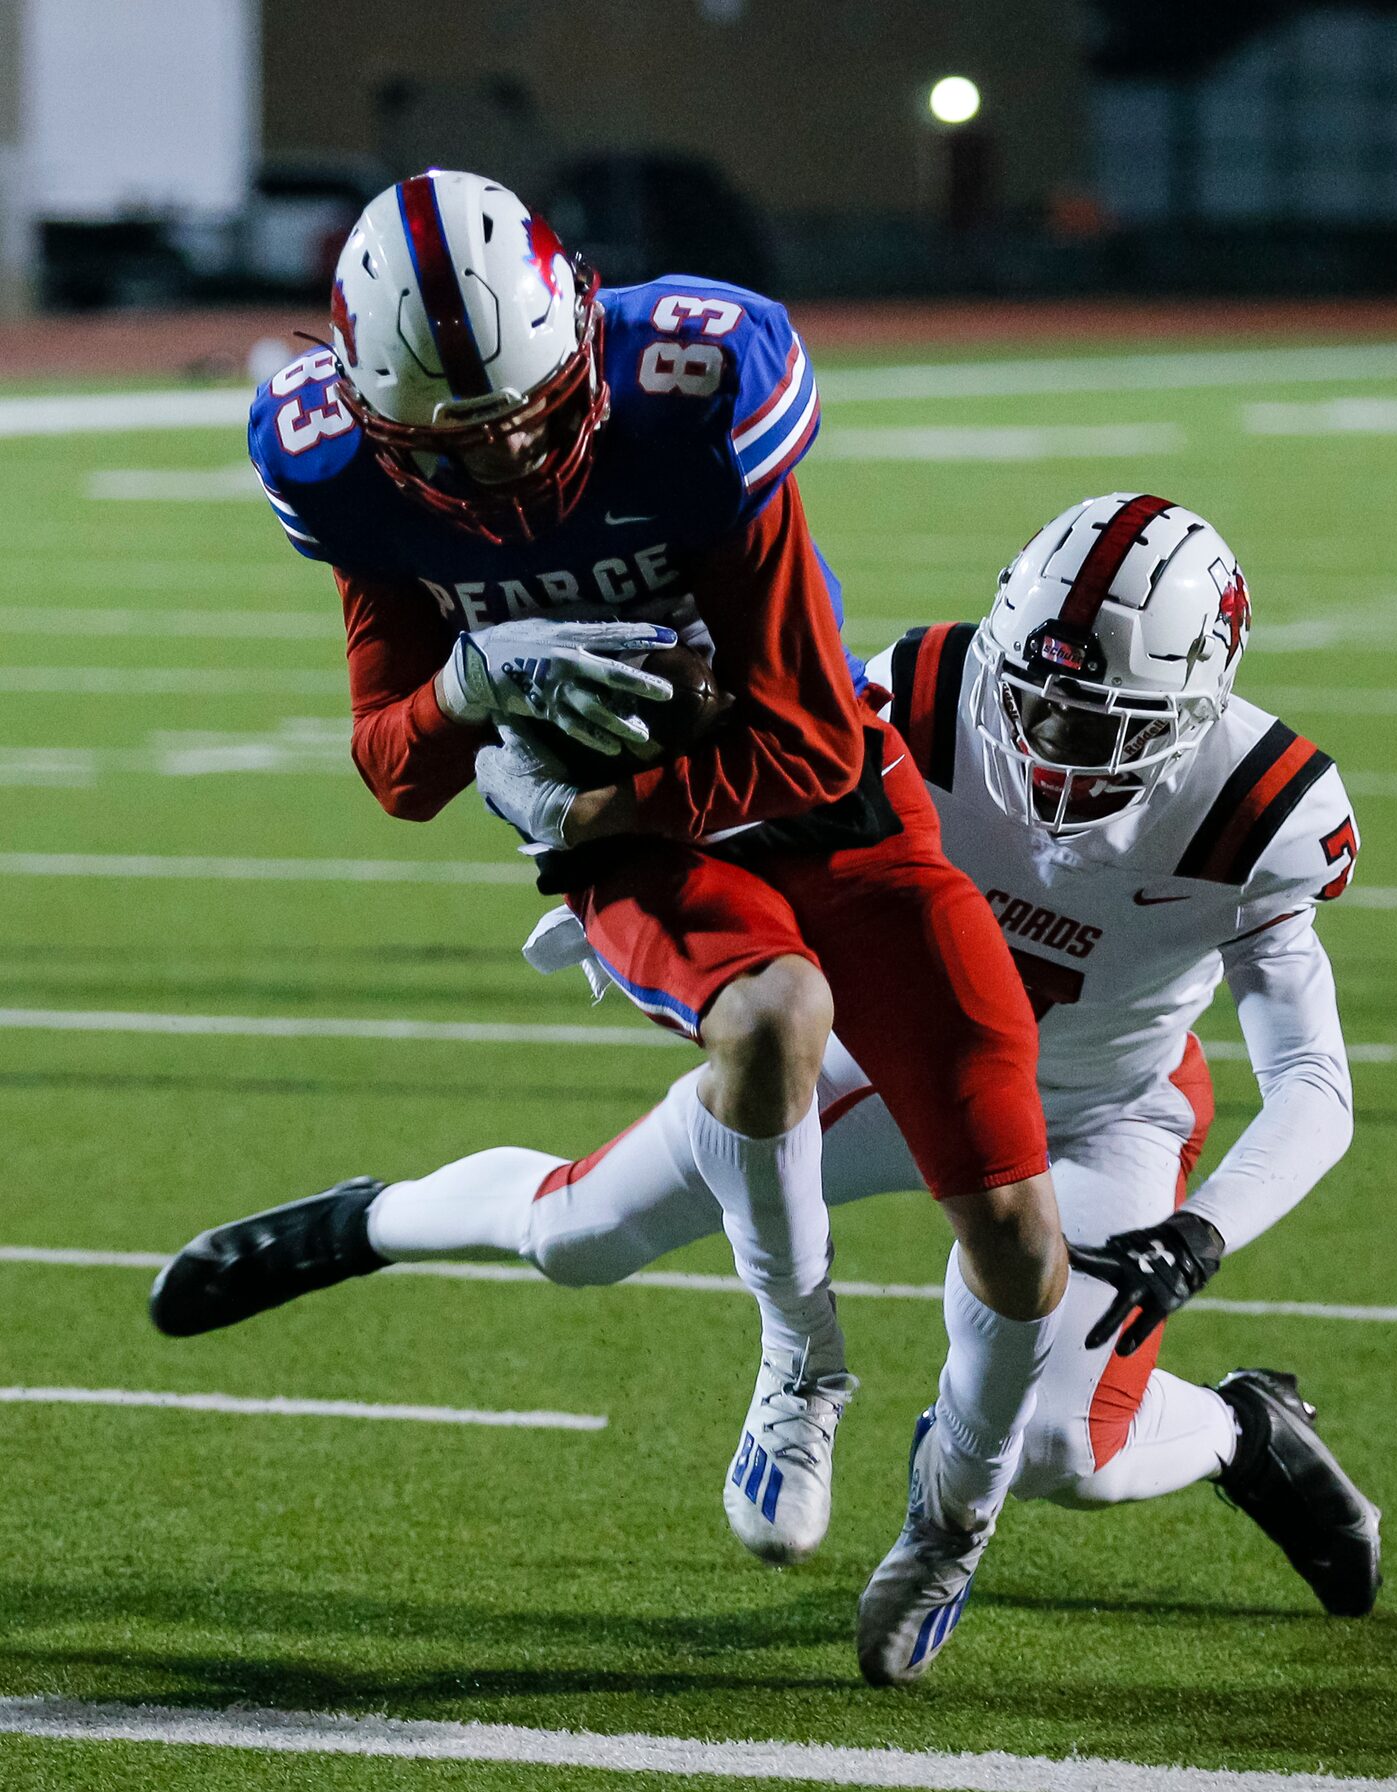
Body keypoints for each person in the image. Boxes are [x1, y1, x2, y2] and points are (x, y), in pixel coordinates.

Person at [154, 491, 1382, 1683]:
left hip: (1109, 1111)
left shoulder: (1258, 810)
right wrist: (625, 872)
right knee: (578, 1234)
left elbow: (1313, 1082)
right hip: (894, 1053)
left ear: (1197, 702)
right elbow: (775, 800)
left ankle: (1237, 1432)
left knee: (1067, 1445)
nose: (1048, 746)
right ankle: (359, 1222)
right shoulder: (924, 688)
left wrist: (1198, 1234)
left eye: (1097, 722)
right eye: (1032, 701)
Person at [153, 170, 1072, 1676]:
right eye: (461, 439)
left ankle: (948, 1526)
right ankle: (801, 1356)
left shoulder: (693, 391)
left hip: (799, 803)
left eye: (526, 412)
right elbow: (395, 763)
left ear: (583, 330)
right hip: (648, 849)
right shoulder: (341, 473)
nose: (510, 459)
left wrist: (586, 810)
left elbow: (809, 746)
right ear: (383, 422)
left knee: (1022, 1237)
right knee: (773, 1016)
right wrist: (475, 682)